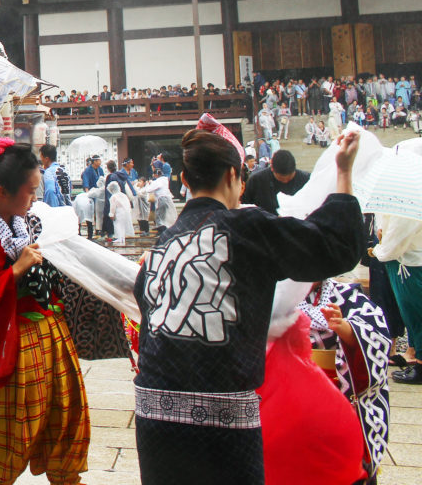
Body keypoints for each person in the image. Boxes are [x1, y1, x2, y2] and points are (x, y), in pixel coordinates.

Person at [132, 126, 364, 485]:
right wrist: (344, 172)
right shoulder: (246, 228)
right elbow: (335, 246)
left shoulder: (164, 242)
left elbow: (143, 298)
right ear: (233, 176)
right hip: (222, 426)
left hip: (153, 420)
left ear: (184, 180)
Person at [0, 139, 89, 485]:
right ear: (2, 191)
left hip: (51, 336)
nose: (34, 198)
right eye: (30, 191)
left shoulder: (29, 222)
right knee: (4, 448)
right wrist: (13, 273)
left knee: (67, 426)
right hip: (11, 347)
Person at [296, 279, 392, 482]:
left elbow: (376, 336)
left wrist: (346, 329)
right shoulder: (272, 291)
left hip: (338, 392)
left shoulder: (347, 294)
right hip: (290, 391)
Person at [241, 149, 310, 214]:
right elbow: (245, 207)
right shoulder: (256, 181)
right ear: (272, 168)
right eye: (281, 178)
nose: (285, 181)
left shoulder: (307, 180)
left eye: (289, 178)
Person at [106, 181, 132, 246]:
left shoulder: (113, 197)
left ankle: (119, 238)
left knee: (118, 225)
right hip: (126, 211)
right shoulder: (123, 195)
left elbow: (113, 207)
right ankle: (122, 238)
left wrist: (111, 214)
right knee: (123, 225)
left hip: (119, 212)